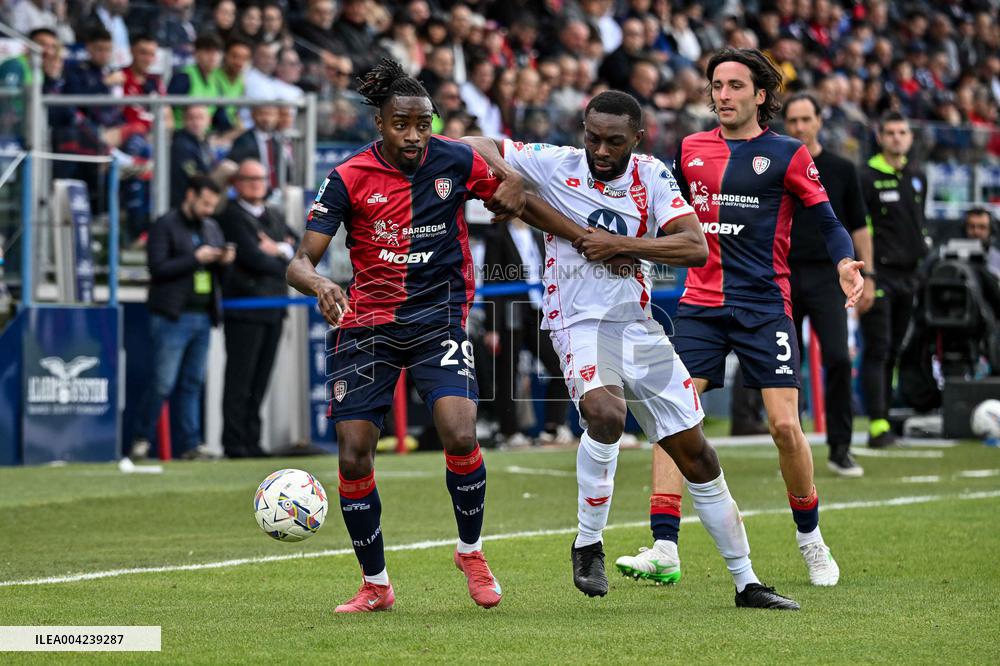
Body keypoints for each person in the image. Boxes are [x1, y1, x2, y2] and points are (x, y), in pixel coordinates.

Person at [464, 90, 801, 609]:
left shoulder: (652, 175)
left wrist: (624, 246)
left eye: (614, 141)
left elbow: (694, 246)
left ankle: (746, 581)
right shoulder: (555, 163)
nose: (601, 150)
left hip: (637, 326)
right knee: (606, 412)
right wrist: (509, 176)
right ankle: (588, 543)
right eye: (593, 138)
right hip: (577, 321)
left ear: (638, 139)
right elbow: (471, 141)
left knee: (697, 453)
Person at [286, 58, 581, 614]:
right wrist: (320, 283)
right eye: (402, 125)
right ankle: (376, 584)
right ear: (380, 124)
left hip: (437, 318)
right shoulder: (348, 176)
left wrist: (567, 228)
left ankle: (471, 551)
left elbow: (512, 188)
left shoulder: (453, 159)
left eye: (423, 124)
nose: (414, 136)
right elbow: (300, 261)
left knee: (461, 434)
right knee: (353, 456)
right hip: (367, 325)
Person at [612, 49, 863, 589]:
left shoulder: (789, 153)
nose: (722, 95)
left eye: (734, 85)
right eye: (716, 85)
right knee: (671, 413)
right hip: (701, 305)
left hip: (763, 306)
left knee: (785, 427)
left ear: (760, 94)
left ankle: (810, 537)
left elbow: (828, 220)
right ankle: (663, 545)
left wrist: (844, 261)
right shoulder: (690, 149)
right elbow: (662, 212)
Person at [783, 92, 874, 477]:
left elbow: (859, 226)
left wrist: (868, 277)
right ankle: (792, 448)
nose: (800, 127)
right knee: (785, 366)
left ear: (820, 121)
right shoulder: (775, 166)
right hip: (782, 274)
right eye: (793, 121)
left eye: (806, 119)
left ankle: (840, 448)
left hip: (828, 276)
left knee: (838, 357)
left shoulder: (841, 168)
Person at [132, 176, 234, 460]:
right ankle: (141, 439)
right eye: (205, 203)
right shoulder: (165, 224)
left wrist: (224, 261)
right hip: (172, 316)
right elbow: (157, 268)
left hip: (203, 315)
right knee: (163, 382)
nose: (208, 210)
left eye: (212, 206)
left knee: (193, 383)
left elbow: (219, 275)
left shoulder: (211, 227)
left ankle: (190, 445)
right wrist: (196, 258)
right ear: (190, 195)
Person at [218, 159, 297, 458]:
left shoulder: (274, 213)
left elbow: (300, 250)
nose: (256, 184)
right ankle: (235, 442)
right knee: (240, 379)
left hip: (274, 308)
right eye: (249, 179)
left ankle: (253, 440)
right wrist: (282, 255)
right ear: (236, 184)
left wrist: (278, 249)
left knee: (261, 380)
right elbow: (253, 258)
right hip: (245, 309)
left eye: (261, 179)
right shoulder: (230, 216)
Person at [859, 112, 927, 449]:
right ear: (880, 137)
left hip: (909, 275)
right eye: (890, 132)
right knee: (878, 348)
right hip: (879, 274)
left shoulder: (917, 176)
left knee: (896, 350)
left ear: (910, 138)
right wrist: (867, 275)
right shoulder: (867, 176)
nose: (897, 138)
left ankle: (886, 418)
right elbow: (862, 228)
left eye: (902, 132)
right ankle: (877, 424)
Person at [481, 218, 570, 447]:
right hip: (510, 311)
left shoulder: (538, 234)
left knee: (560, 366)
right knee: (507, 373)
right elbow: (491, 279)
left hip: (538, 310)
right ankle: (509, 432)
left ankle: (554, 427)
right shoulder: (496, 235)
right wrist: (492, 327)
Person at [170, 105, 215, 207]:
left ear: (209, 120)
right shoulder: (181, 145)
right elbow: (195, 176)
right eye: (191, 118)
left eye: (200, 118)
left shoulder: (203, 141)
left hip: (202, 194)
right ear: (184, 121)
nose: (196, 122)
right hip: (188, 202)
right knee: (227, 168)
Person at [964, 207, 1000, 279]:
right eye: (972, 226)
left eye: (982, 227)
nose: (976, 232)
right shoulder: (950, 257)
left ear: (991, 230)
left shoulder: (998, 259)